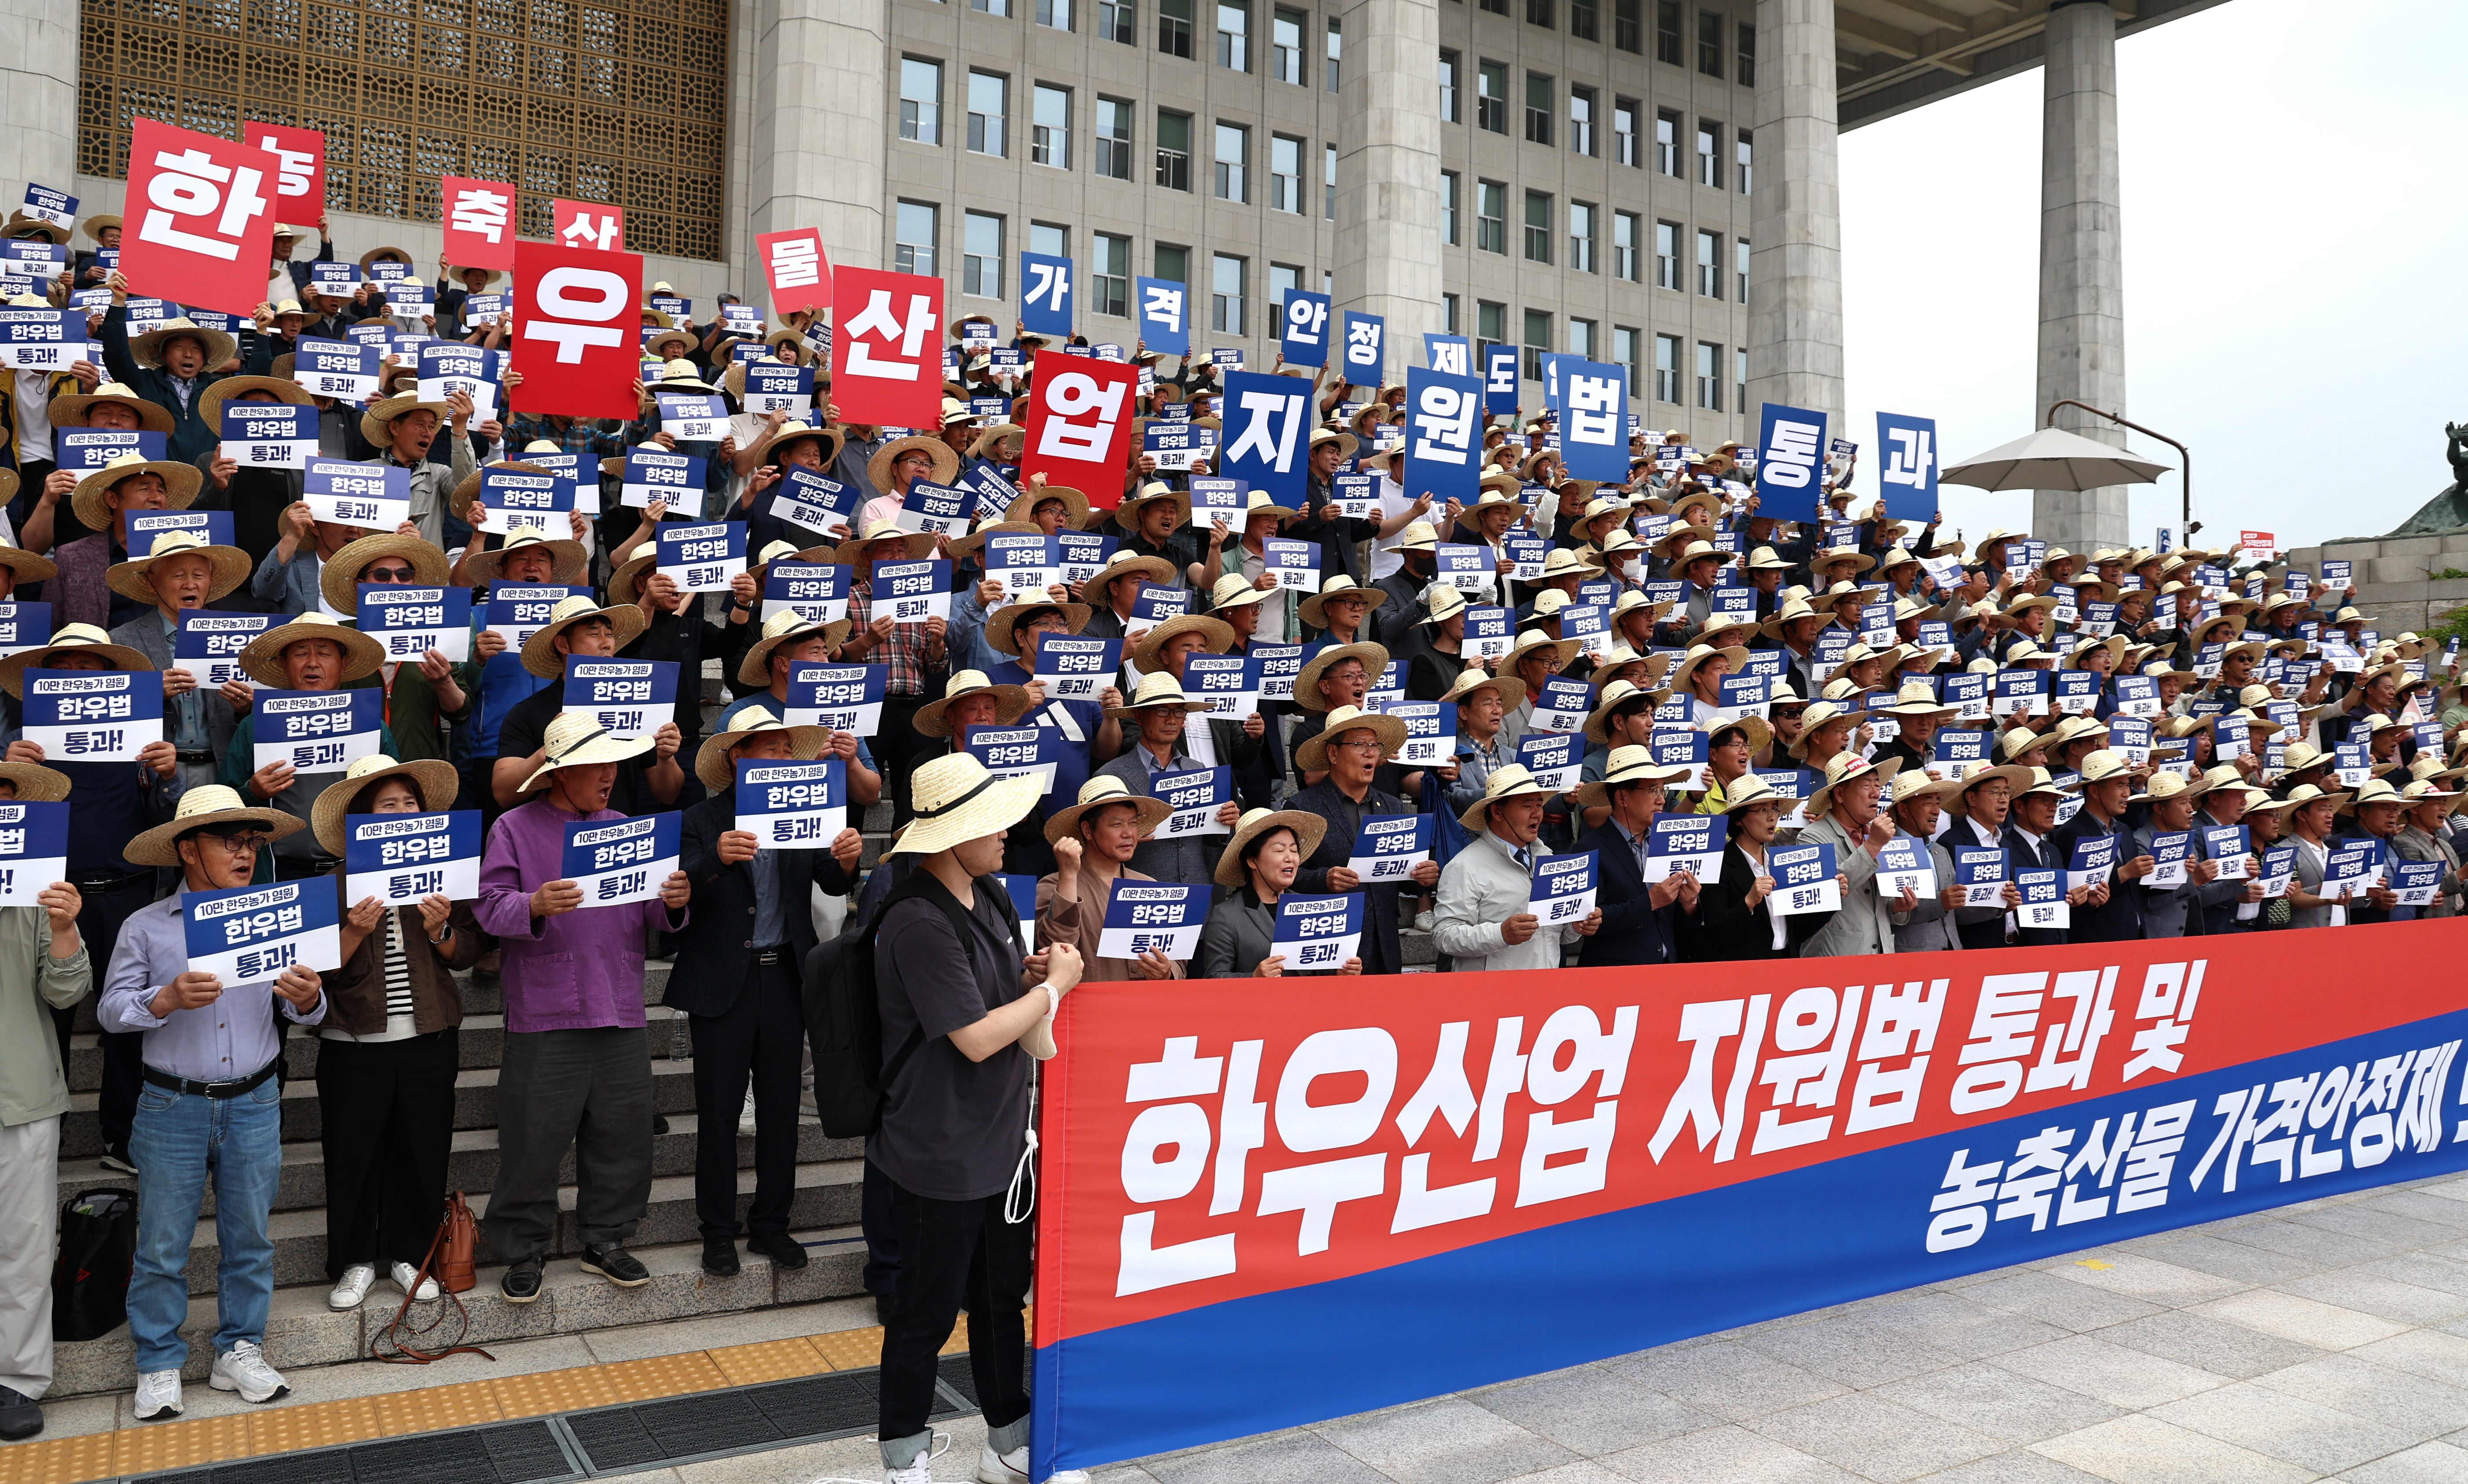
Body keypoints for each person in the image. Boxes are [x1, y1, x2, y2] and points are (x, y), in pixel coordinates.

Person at [869, 753, 1089, 1484]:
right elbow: (975, 1036)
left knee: (1000, 1303)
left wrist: (1033, 983)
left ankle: (1008, 1442)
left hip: (1000, 1143)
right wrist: (1054, 987)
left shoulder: (991, 897)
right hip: (936, 1148)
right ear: (949, 834)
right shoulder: (914, 920)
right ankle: (904, 1455)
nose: (1005, 833)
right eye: (988, 822)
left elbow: (1006, 1006)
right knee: (924, 1314)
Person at [103, 786, 328, 1419]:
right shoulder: (146, 926)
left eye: (252, 842)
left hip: (255, 1099)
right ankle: (157, 1360)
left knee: (251, 1239)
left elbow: (305, 1007)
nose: (245, 852)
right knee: (162, 1246)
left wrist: (309, 998)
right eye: (229, 841)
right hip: (172, 1104)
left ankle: (240, 1349)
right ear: (186, 850)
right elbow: (110, 1011)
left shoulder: (277, 913)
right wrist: (163, 1000)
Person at [474, 713, 691, 1301]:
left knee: (624, 1137)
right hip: (545, 1012)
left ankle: (608, 1239)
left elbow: (656, 915)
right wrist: (534, 904)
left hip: (619, 1005)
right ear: (560, 773)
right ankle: (522, 1249)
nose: (611, 775)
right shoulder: (514, 829)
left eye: (614, 764)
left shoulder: (625, 824)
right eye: (598, 766)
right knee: (532, 1141)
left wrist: (674, 900)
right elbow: (489, 908)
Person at [672, 709, 861, 1278]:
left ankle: (772, 1225)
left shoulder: (807, 809)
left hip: (786, 976)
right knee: (720, 1114)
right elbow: (677, 895)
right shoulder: (702, 818)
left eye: (787, 751)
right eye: (771, 750)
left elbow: (832, 880)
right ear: (737, 757)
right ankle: (718, 1231)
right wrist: (715, 862)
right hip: (722, 981)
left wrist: (849, 861)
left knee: (781, 1113)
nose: (782, 760)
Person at [0, 622, 183, 1175]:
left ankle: (121, 1138)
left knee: (125, 1022)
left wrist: (168, 779)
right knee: (45, 1019)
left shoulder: (140, 737)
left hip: (126, 897)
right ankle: (38, 1139)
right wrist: (9, 769)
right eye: (65, 668)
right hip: (48, 900)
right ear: (45, 679)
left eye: (90, 667)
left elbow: (165, 827)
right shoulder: (22, 736)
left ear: (111, 678)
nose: (78, 677)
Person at [305, 755, 486, 1311]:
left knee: (422, 1150)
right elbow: (313, 972)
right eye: (390, 805)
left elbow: (472, 951)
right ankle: (355, 1261)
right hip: (352, 1043)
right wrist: (353, 930)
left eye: (411, 803)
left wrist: (441, 931)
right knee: (353, 1155)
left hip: (429, 1039)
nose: (404, 812)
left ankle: (413, 1255)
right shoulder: (331, 883)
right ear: (363, 818)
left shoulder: (446, 874)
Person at [0, 762, 87, 1442]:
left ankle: (16, 1381)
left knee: (25, 1249)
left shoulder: (39, 894)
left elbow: (65, 994)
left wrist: (65, 929)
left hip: (21, 1096)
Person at [219, 612, 400, 880]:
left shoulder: (370, 725)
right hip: (279, 875)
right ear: (283, 663)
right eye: (301, 653)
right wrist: (253, 792)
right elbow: (224, 807)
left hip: (359, 872)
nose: (312, 663)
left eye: (324, 653)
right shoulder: (254, 727)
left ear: (343, 662)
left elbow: (396, 798)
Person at [1285, 705, 1435, 976]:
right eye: (1359, 744)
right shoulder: (1302, 807)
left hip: (1384, 943)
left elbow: (1400, 876)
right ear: (1333, 753)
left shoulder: (1392, 807)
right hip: (1328, 945)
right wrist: (1323, 879)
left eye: (1375, 745)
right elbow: (1284, 876)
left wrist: (1421, 876)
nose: (1370, 753)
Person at [106, 529, 256, 791]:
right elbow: (107, 717)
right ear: (152, 581)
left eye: (199, 575)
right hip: (155, 776)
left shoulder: (241, 638)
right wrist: (150, 693)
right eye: (178, 576)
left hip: (223, 769)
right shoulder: (121, 642)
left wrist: (245, 708)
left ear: (210, 581)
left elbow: (263, 715)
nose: (190, 584)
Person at [1433, 764, 1603, 971]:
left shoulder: (1547, 858)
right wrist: (1501, 934)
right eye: (1527, 806)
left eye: (1540, 805)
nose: (1537, 814)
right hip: (1493, 995)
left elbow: (1553, 934)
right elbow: (1444, 936)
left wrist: (1576, 926)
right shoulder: (1465, 866)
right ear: (1497, 812)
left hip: (1544, 990)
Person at [1092, 672, 1245, 886]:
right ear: (1139, 716)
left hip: (1195, 892)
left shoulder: (1198, 770)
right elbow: (1095, 847)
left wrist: (1226, 824)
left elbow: (1211, 839)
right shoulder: (1111, 775)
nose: (1172, 719)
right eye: (1162, 710)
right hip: (1136, 895)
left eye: (1180, 712)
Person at [1036, 775, 1186, 981]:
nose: (1128, 834)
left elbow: (1178, 959)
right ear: (1088, 830)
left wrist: (1168, 972)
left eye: (1133, 824)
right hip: (1087, 1008)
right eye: (1116, 825)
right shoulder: (1055, 885)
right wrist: (1069, 875)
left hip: (1144, 1007)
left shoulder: (1150, 886)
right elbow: (1055, 949)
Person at [1575, 746, 1698, 966]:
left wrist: (1690, 904)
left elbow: (1676, 920)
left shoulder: (1671, 843)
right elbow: (1589, 921)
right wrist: (1650, 902)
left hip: (1668, 970)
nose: (1661, 800)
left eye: (1663, 790)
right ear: (1622, 797)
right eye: (1653, 790)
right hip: (1614, 978)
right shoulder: (1588, 849)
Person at [1196, 808, 1343, 977]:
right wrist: (1254, 978)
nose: (1290, 858)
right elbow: (1214, 978)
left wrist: (1339, 972)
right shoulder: (1226, 916)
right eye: (1279, 850)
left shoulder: (1311, 907)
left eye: (1294, 850)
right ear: (1252, 860)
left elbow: (1319, 968)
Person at [1793, 753, 1901, 958]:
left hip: (1882, 957)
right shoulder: (1811, 837)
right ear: (1840, 795)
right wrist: (1873, 846)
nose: (1876, 793)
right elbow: (1823, 897)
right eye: (1866, 785)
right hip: (1835, 960)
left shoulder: (1876, 836)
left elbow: (1877, 907)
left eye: (1877, 785)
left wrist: (1897, 908)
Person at [1681, 774, 1797, 961]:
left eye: (1775, 810)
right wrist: (1749, 901)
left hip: (1787, 962)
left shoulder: (1781, 863)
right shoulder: (1719, 865)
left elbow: (1800, 928)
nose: (1772, 817)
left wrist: (1830, 898)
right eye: (1762, 810)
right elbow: (1715, 931)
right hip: (1744, 971)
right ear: (1738, 819)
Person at [2051, 749, 2154, 942]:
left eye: (2128, 785)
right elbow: (2079, 895)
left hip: (2135, 937)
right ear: (2095, 791)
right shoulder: (2072, 834)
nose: (2127, 793)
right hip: (2099, 942)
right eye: (2120, 786)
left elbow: (2135, 890)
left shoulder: (2123, 829)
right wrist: (2125, 873)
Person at [1882, 770, 1966, 952]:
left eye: (1938, 803)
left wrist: (1998, 905)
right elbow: (1889, 911)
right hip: (1912, 958)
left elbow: (1955, 908)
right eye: (1928, 803)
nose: (1936, 811)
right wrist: (1940, 902)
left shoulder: (1940, 851)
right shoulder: (1887, 849)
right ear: (1904, 810)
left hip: (1952, 952)